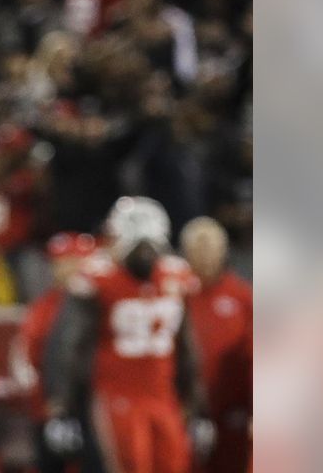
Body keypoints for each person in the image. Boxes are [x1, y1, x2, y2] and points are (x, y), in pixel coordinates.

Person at [43, 197, 214, 473]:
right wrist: (61, 407)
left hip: (163, 396)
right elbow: (68, 344)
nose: (145, 254)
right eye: (137, 246)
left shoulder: (174, 277)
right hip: (117, 397)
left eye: (150, 245)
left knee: (175, 465)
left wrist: (198, 406)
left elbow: (186, 346)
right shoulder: (97, 280)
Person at [14, 231, 99, 473]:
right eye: (60, 262)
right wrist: (45, 405)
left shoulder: (101, 301)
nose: (66, 269)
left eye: (73, 261)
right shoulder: (42, 308)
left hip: (95, 404)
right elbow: (26, 359)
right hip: (52, 407)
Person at [180, 217, 252, 473]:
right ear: (186, 252)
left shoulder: (242, 296)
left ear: (224, 250)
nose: (205, 254)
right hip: (185, 412)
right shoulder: (176, 292)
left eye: (210, 247)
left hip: (232, 413)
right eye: (197, 248)